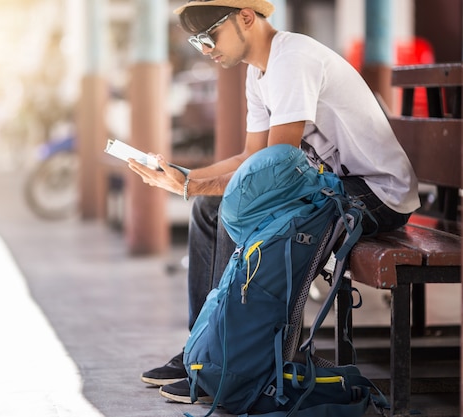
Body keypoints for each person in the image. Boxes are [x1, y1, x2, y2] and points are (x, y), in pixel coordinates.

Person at [127, 0, 420, 404]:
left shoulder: (292, 59)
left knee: (250, 209)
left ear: (245, 17)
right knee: (208, 209)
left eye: (208, 35)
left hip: (376, 194)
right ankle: (204, 348)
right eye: (197, 42)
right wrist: (188, 180)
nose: (205, 49)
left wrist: (193, 186)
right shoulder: (258, 72)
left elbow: (271, 177)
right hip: (337, 187)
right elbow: (253, 159)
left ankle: (228, 355)